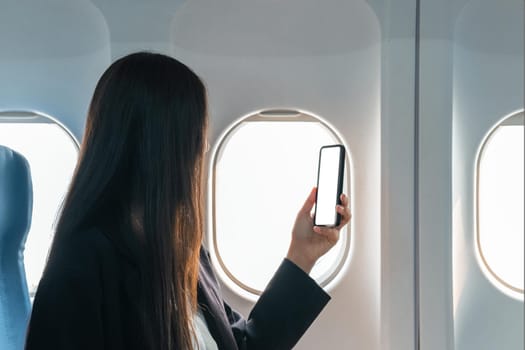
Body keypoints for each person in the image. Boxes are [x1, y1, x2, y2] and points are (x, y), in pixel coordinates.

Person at [24, 52, 351, 350]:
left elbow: (241, 346)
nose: (204, 148)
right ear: (164, 148)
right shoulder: (80, 270)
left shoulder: (183, 250)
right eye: (197, 135)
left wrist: (302, 254)